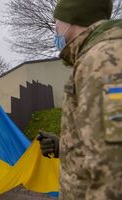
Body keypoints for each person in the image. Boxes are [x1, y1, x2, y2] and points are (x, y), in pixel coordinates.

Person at [38, 0, 122, 199]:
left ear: (71, 19)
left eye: (57, 21)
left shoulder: (102, 61)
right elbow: (102, 138)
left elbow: (113, 165)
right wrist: (64, 145)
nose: (56, 28)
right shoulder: (98, 57)